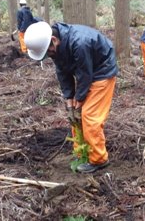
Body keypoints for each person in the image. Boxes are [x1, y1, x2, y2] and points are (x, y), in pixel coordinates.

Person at [24, 21, 118, 174]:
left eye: (49, 51)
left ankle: (99, 159)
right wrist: (70, 103)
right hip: (86, 72)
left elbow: (84, 75)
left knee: (89, 116)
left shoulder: (79, 43)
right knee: (75, 118)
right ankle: (81, 153)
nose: (49, 55)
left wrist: (79, 102)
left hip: (102, 71)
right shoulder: (55, 47)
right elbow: (63, 73)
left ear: (54, 40)